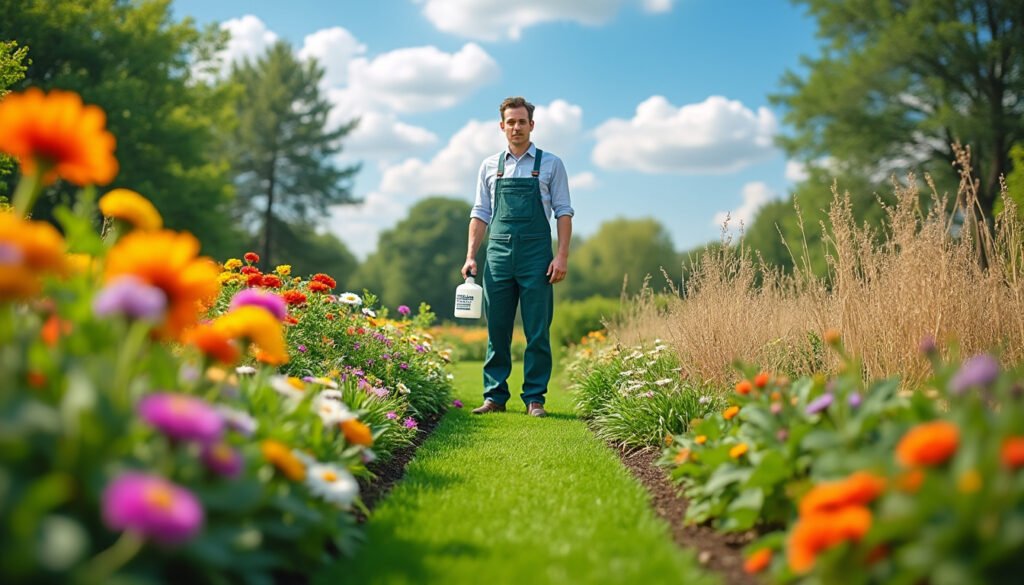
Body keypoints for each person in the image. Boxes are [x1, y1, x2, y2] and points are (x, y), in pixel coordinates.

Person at [461, 96, 574, 418]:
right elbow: (480, 213)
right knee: (497, 330)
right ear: (502, 126)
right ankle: (494, 396)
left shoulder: (551, 164)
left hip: (537, 257)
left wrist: (562, 255)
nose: (516, 127)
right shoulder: (489, 166)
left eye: (521, 121)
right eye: (510, 122)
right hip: (497, 255)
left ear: (531, 125)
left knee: (537, 330)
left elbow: (563, 212)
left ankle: (535, 398)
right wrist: (471, 255)